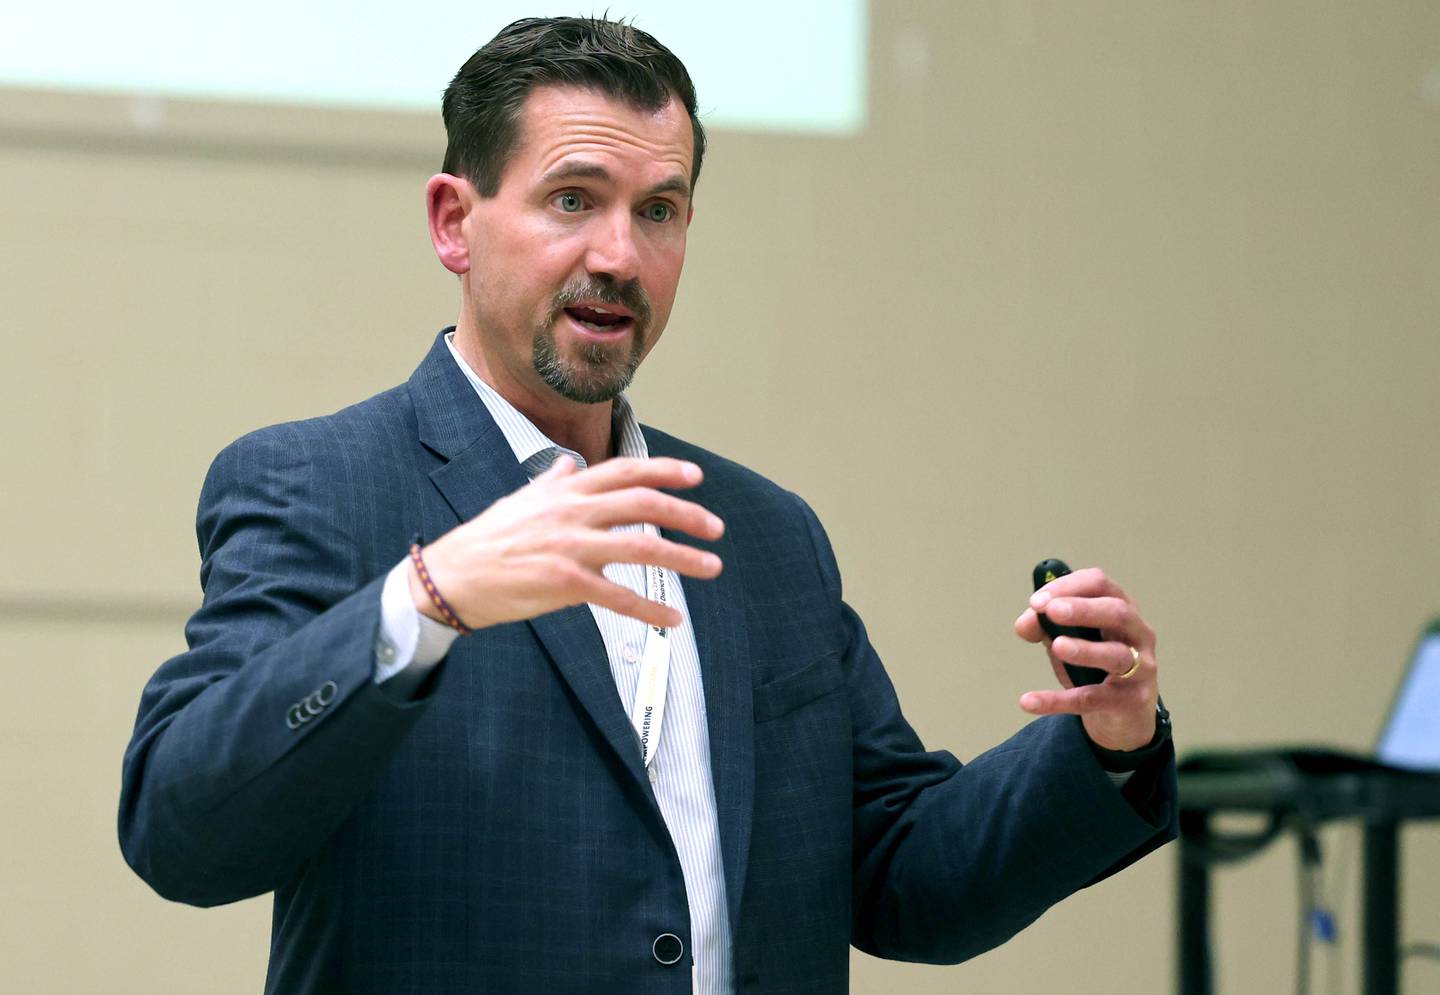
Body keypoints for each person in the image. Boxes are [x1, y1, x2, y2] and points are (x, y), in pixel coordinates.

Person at [119, 16, 1176, 994]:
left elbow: (901, 871)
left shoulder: (766, 535)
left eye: (658, 210)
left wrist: (1108, 745)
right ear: (455, 222)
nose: (620, 255)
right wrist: (424, 600)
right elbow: (182, 827)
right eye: (574, 198)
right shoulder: (319, 483)